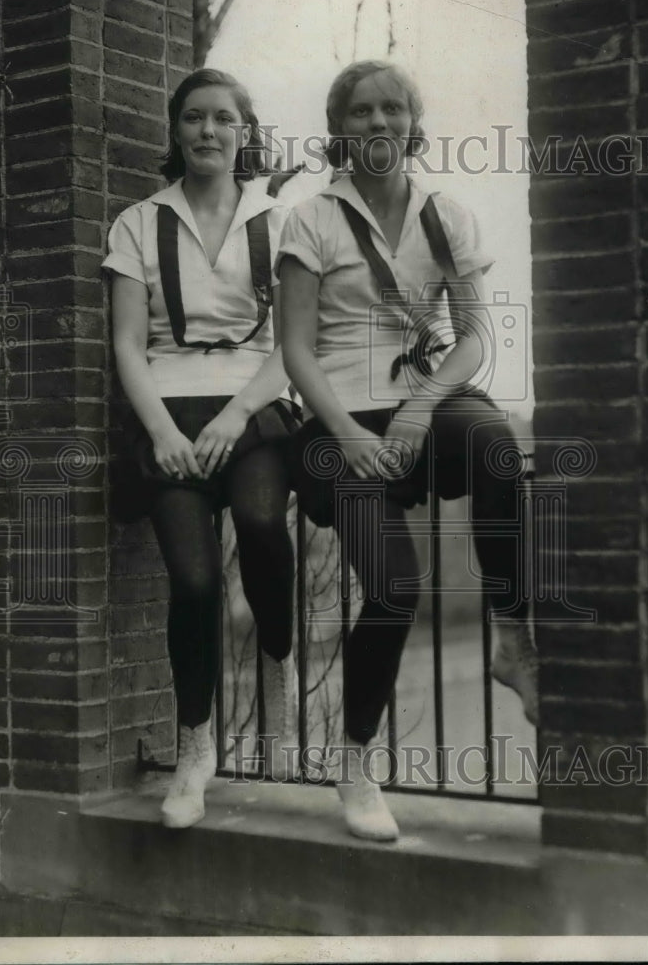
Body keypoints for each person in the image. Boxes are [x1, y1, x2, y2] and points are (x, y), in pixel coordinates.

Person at [278, 60, 538, 842]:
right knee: (395, 588)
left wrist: (422, 407)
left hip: (420, 409)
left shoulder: (445, 216)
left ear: (412, 124)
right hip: (339, 426)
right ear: (340, 128)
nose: (378, 123)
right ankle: (356, 768)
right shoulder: (312, 219)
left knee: (494, 444)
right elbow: (294, 350)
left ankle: (513, 638)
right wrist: (350, 436)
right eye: (361, 112)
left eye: (393, 109)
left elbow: (473, 341)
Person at [104, 69, 298, 829]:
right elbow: (126, 344)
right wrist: (162, 431)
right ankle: (195, 748)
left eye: (224, 118)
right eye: (194, 118)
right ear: (176, 130)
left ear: (246, 132)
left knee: (256, 522)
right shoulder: (137, 223)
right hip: (167, 410)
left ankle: (276, 655)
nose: (208, 131)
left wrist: (236, 415)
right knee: (191, 582)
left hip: (255, 405)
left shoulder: (281, 221)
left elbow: (297, 345)